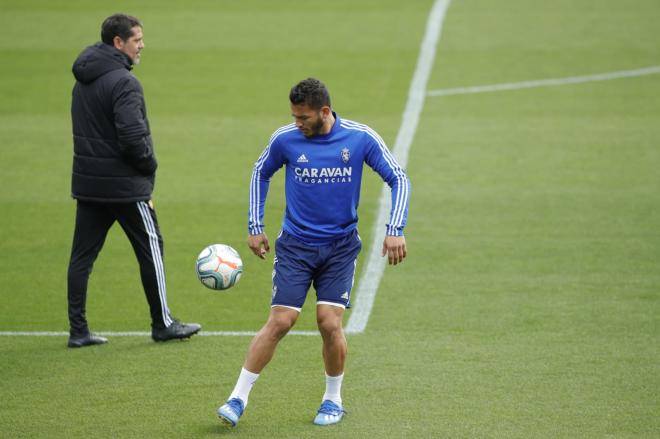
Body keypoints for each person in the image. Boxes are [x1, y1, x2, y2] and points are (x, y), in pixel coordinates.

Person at [217, 78, 409, 426]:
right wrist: (254, 225)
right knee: (281, 321)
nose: (297, 123)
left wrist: (395, 230)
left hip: (339, 248)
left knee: (328, 322)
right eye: (294, 116)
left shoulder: (359, 137)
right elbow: (261, 171)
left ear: (324, 111)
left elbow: (398, 177)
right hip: (295, 246)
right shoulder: (286, 140)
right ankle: (237, 398)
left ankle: (332, 401)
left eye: (303, 117)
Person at [66, 14, 201, 348]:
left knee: (82, 256)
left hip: (89, 184)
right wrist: (148, 164)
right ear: (118, 42)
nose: (142, 46)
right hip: (126, 186)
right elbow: (131, 137)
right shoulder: (124, 82)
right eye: (137, 39)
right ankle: (163, 323)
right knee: (151, 247)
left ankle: (78, 331)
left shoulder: (82, 79)